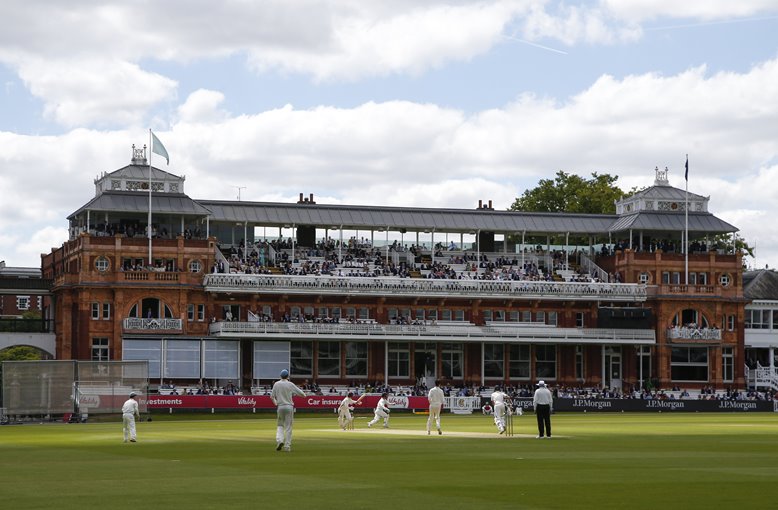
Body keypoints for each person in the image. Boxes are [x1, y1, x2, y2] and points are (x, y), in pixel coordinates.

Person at [270, 369, 306, 452]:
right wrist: (303, 395)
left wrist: (276, 403)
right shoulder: (290, 384)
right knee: (288, 428)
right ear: (288, 376)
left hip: (280, 406)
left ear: (280, 376)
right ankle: (287, 446)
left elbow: (272, 397)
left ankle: (280, 441)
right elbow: (302, 394)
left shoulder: (276, 384)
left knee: (280, 425)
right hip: (289, 406)